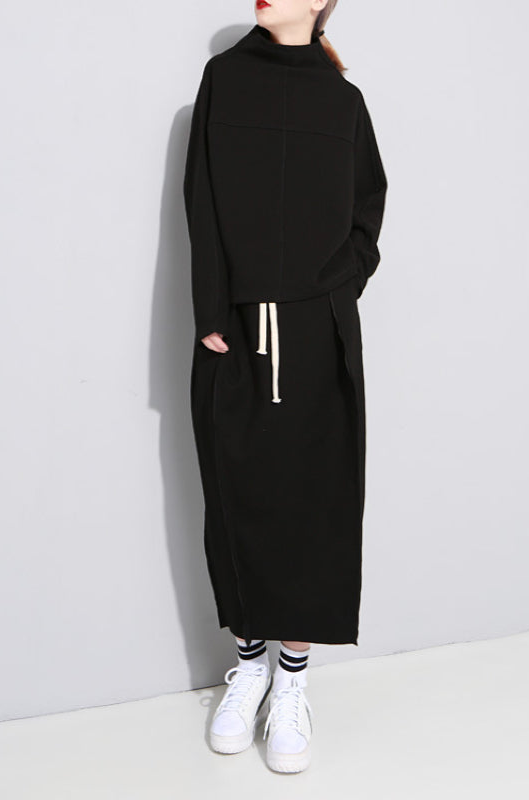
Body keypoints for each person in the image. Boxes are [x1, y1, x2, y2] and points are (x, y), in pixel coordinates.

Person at [183, 0, 388, 774]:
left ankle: (292, 679)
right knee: (237, 492)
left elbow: (368, 208)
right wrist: (212, 311)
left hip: (316, 328)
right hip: (233, 326)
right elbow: (201, 197)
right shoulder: (224, 79)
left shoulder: (344, 101)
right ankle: (248, 668)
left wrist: (336, 289)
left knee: (314, 497)